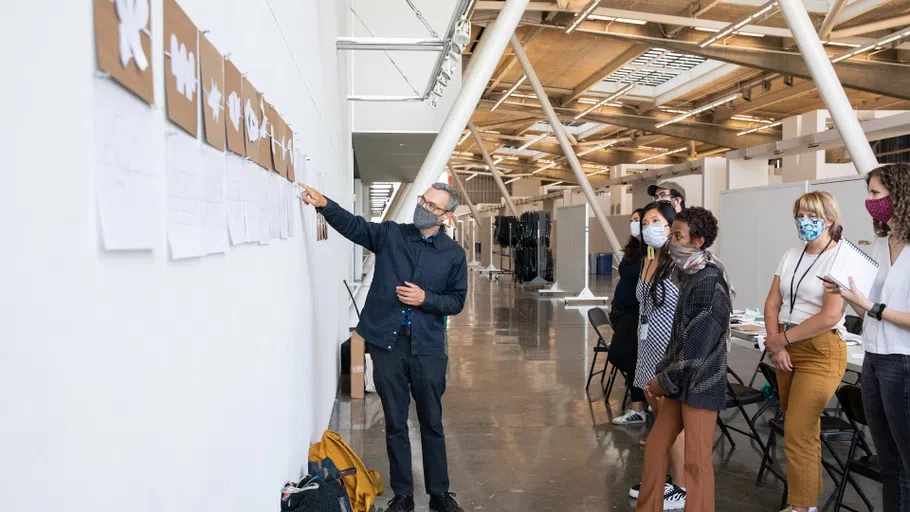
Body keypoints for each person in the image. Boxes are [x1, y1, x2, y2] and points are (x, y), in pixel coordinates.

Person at [299, 182, 468, 512]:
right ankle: (402, 494)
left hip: (428, 348)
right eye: (423, 200)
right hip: (387, 345)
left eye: (432, 206)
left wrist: (426, 299)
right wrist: (324, 204)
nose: (423, 207)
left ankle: (439, 494)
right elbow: (355, 227)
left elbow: (457, 300)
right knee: (395, 423)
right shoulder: (392, 235)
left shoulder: (453, 255)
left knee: (431, 422)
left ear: (446, 216)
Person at [823, 163, 910, 512]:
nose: (869, 200)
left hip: (903, 360)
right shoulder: (880, 243)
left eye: (876, 193)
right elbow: (868, 310)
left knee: (906, 462)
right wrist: (848, 296)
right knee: (889, 463)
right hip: (874, 358)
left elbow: (876, 308)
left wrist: (871, 306)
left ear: (900, 196)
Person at [638, 207, 733, 512]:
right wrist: (661, 374)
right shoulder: (688, 275)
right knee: (655, 446)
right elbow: (678, 337)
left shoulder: (709, 281)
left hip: (701, 385)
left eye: (677, 236)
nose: (671, 242)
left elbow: (697, 345)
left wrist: (664, 380)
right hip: (680, 383)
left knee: (697, 462)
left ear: (698, 241)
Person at [763, 191, 847, 512]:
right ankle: (808, 491)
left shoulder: (838, 257)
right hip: (786, 345)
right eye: (799, 215)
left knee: (798, 431)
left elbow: (830, 316)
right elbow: (773, 302)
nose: (804, 222)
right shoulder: (790, 254)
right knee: (801, 428)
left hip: (821, 349)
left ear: (829, 219)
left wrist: (783, 340)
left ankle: (802, 506)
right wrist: (776, 339)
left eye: (812, 216)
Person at [630, 201, 687, 509]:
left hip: (668, 347)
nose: (649, 226)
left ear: (670, 225)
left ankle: (682, 487)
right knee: (658, 418)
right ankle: (665, 479)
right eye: (646, 221)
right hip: (647, 345)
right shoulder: (648, 258)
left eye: (656, 220)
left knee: (671, 420)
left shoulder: (680, 260)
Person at [610, 208, 649, 426]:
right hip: (620, 310)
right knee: (633, 357)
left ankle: (647, 394)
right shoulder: (633, 249)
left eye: (639, 220)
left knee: (620, 356)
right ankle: (639, 408)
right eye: (633, 220)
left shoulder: (652, 252)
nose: (635, 224)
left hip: (635, 313)